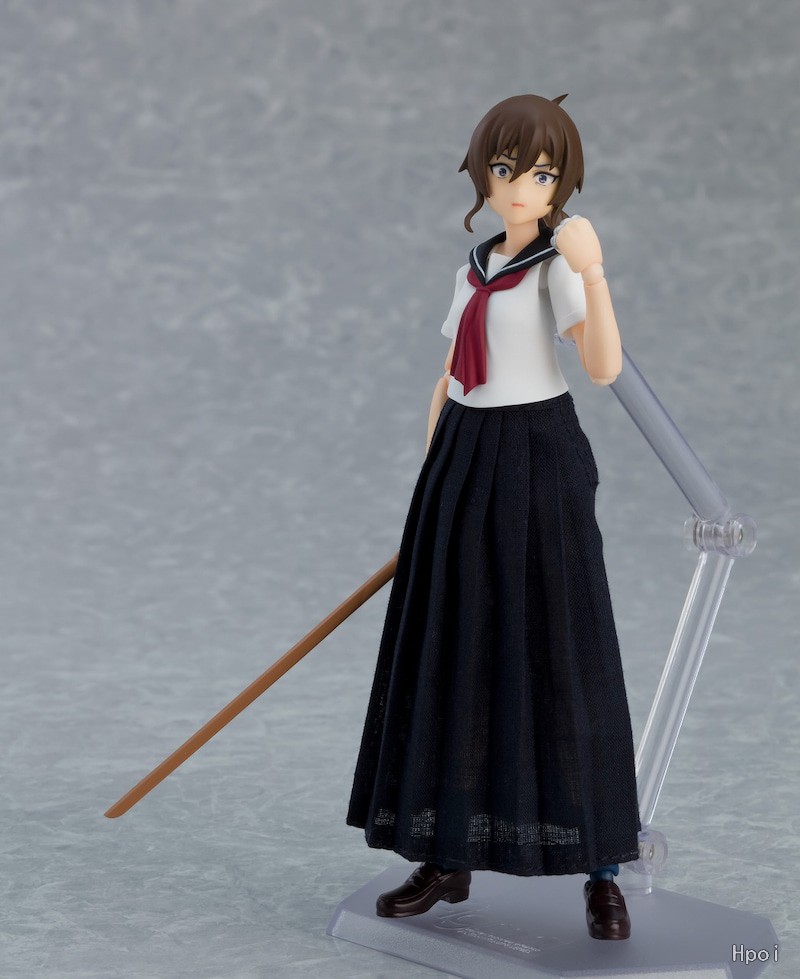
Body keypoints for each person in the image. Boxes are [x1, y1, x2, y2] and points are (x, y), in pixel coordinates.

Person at [346, 94, 640, 941]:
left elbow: (604, 366)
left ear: (561, 183)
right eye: (506, 169)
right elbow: (450, 373)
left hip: (537, 453)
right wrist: (435, 480)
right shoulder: (474, 267)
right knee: (454, 649)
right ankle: (446, 854)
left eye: (540, 173)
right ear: (483, 173)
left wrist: (594, 272)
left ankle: (603, 868)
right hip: (464, 455)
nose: (518, 187)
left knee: (563, 647)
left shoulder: (554, 266)